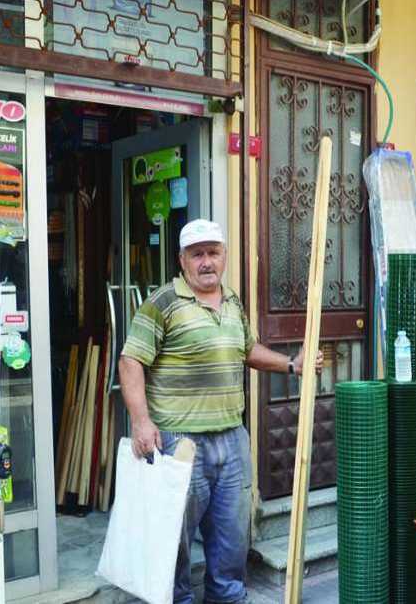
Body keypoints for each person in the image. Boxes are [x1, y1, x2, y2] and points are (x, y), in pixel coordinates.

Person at [118, 219, 321, 604]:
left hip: (232, 440)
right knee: (171, 542)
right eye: (197, 255)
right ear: (182, 260)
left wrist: (291, 365)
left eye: (213, 253)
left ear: (224, 256)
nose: (206, 262)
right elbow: (131, 361)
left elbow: (248, 351)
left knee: (231, 541)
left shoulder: (232, 301)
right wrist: (142, 422)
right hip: (180, 443)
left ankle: (227, 598)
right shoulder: (162, 303)